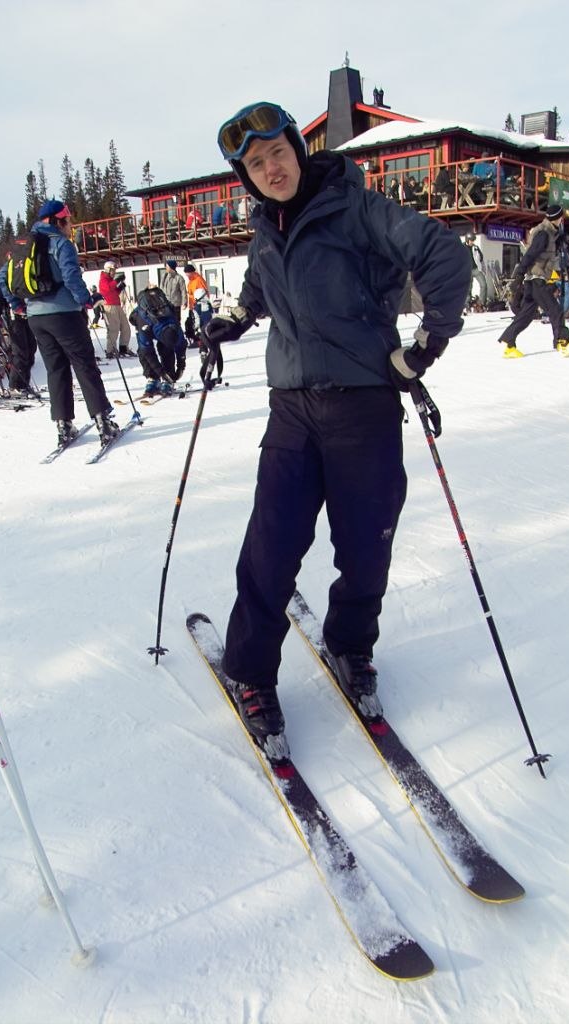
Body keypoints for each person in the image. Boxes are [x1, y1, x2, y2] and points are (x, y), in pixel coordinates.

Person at [202, 101, 470, 755]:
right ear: (247, 175)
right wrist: (238, 314)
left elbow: (442, 254)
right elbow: (263, 277)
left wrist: (425, 346)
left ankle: (350, 646)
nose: (270, 168)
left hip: (363, 409)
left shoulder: (356, 208)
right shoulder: (266, 226)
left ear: (296, 148)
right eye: (255, 163)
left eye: (277, 153)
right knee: (270, 548)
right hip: (292, 410)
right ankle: (250, 674)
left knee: (364, 548)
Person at [19, 200, 119, 445]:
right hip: (63, 315)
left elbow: (6, 277)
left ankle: (64, 427)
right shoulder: (60, 244)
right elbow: (71, 276)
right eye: (68, 221)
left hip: (36, 317)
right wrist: (87, 299)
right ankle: (104, 423)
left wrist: (17, 305)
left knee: (56, 369)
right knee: (84, 365)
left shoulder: (26, 246)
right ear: (57, 220)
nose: (70, 226)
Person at [497, 205, 569, 358]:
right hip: (536, 279)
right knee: (555, 310)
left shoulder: (551, 233)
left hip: (536, 278)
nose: (563, 219)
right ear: (558, 218)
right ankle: (563, 342)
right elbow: (530, 254)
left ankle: (508, 342)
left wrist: (560, 241)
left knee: (526, 315)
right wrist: (519, 273)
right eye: (562, 217)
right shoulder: (544, 234)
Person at [129, 285, 187, 396]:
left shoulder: (176, 328)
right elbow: (148, 352)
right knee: (143, 352)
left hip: (163, 323)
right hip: (144, 320)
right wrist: (161, 373)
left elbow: (181, 347)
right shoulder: (145, 323)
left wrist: (180, 367)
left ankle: (168, 379)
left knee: (166, 349)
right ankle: (152, 378)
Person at [0, 258, 38, 393]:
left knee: (31, 350)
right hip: (13, 314)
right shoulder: (6, 272)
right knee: (20, 352)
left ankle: (24, 384)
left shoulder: (25, 266)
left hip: (26, 313)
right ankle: (15, 386)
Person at [99, 260, 132, 357]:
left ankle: (123, 347)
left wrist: (119, 288)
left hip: (117, 305)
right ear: (108, 270)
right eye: (113, 270)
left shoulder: (110, 280)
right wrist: (116, 281)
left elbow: (112, 292)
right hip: (109, 306)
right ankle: (111, 350)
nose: (114, 273)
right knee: (114, 329)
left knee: (126, 327)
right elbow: (108, 288)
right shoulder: (103, 280)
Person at [463, 233, 488, 309]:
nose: (472, 242)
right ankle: (467, 303)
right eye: (471, 241)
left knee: (484, 285)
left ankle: (481, 303)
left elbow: (481, 258)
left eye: (473, 241)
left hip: (476, 269)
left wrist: (483, 268)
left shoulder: (476, 247)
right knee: (468, 288)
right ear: (467, 240)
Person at [161, 259, 187, 323]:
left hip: (175, 304)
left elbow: (183, 291)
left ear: (171, 267)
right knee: (167, 321)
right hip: (166, 304)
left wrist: (184, 303)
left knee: (176, 321)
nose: (166, 268)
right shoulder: (164, 276)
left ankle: (177, 332)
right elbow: (161, 290)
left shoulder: (179, 278)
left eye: (167, 266)